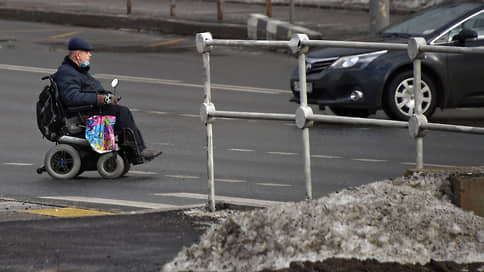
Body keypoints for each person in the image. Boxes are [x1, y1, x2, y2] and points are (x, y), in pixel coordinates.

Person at [53, 37, 161, 161]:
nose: (90, 55)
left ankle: (135, 150)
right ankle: (137, 151)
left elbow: (91, 90)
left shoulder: (78, 71)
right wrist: (100, 99)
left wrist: (107, 96)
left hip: (89, 108)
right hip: (81, 113)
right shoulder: (68, 73)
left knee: (121, 111)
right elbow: (71, 98)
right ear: (77, 55)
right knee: (122, 113)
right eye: (87, 52)